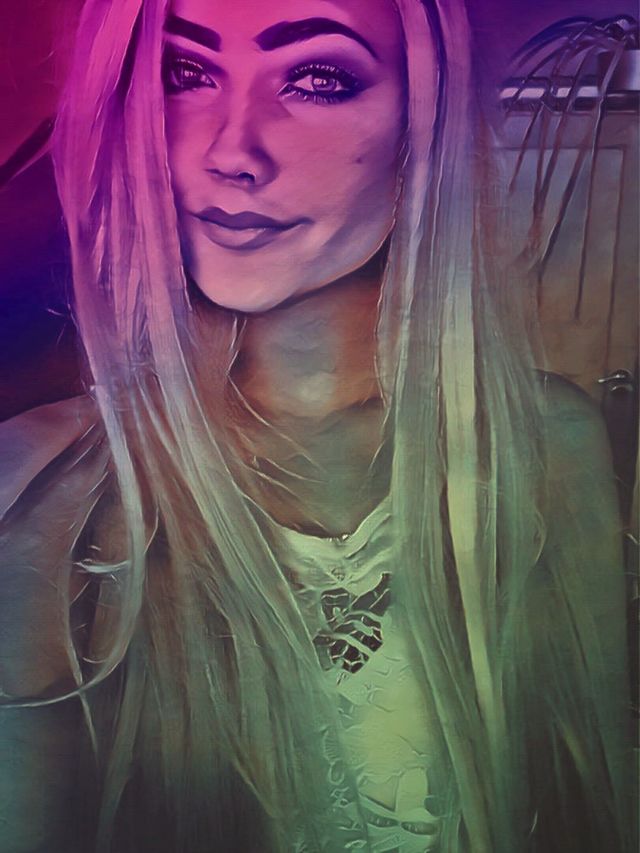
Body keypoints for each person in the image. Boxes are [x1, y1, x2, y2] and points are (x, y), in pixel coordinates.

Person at [0, 1, 635, 851]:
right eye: (185, 73)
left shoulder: (550, 443)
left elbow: (591, 803)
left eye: (317, 78)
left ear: (424, 119)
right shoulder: (40, 482)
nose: (231, 151)